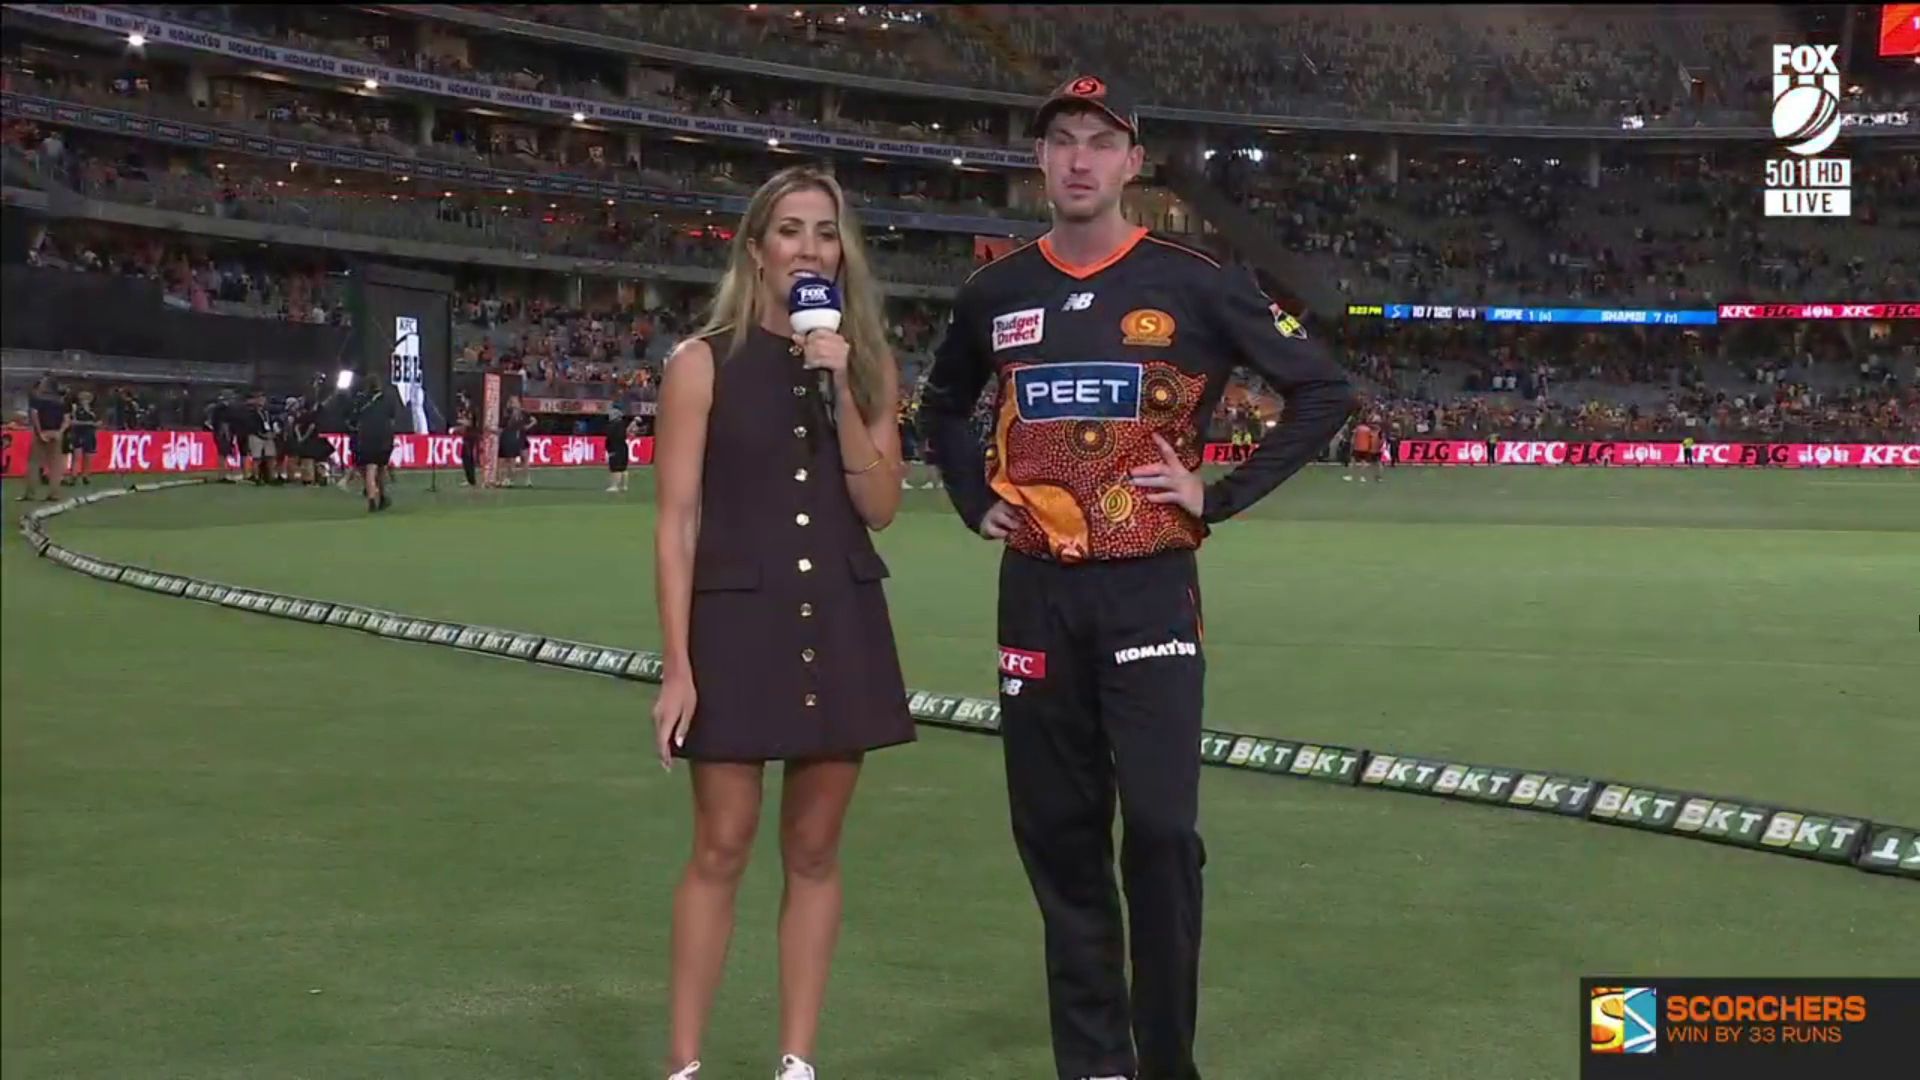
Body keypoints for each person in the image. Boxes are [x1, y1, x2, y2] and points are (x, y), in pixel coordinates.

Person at [916, 74, 1356, 1080]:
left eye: (1099, 142)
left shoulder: (1197, 281)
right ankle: (1094, 1064)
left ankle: (1166, 1060)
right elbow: (939, 407)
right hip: (1036, 592)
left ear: (1131, 162)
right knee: (1058, 835)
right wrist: (968, 495)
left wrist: (1221, 495)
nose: (1079, 158)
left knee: (1158, 832)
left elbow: (1323, 390)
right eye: (1063, 140)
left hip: (1150, 586)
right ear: (1040, 159)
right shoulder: (995, 292)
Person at [650, 164, 916, 1080]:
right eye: (792, 230)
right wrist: (676, 666)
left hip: (839, 620)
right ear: (757, 251)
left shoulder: (867, 366)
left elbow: (881, 505)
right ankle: (685, 1063)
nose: (810, 247)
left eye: (826, 232)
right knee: (720, 845)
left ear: (843, 255)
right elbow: (677, 523)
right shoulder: (701, 364)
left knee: (814, 850)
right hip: (734, 627)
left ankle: (796, 1061)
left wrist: (840, 387)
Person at [351, 373, 401, 512]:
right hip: (384, 437)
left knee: (370, 469)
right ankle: (383, 497)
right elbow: (392, 420)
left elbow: (354, 419)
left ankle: (372, 500)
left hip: (367, 437)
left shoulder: (361, 400)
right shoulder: (388, 399)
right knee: (381, 468)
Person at [19, 375, 68, 501]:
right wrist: (60, 432)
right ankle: (54, 493)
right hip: (55, 433)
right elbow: (67, 419)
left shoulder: (38, 399)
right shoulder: (61, 402)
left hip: (42, 432)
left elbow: (34, 415)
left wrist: (39, 432)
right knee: (55, 465)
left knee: (34, 463)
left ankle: (30, 493)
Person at [605, 406, 636, 493]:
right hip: (623, 447)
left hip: (616, 447)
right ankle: (624, 486)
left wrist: (610, 449)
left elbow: (611, 437)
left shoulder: (613, 425)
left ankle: (614, 486)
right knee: (623, 468)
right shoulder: (622, 424)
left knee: (616, 468)